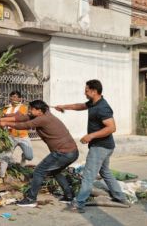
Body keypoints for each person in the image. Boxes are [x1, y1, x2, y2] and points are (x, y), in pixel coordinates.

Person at [54, 79, 129, 213]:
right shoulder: (94, 103)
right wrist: (63, 106)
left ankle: (79, 204)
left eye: (86, 90)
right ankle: (120, 197)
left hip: (101, 146)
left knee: (88, 175)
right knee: (105, 172)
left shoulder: (103, 107)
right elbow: (80, 106)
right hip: (105, 146)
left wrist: (91, 136)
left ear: (94, 91)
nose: (85, 92)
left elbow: (112, 127)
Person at [0, 100, 79, 207]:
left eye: (31, 109)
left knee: (39, 171)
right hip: (71, 152)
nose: (29, 111)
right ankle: (69, 196)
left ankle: (31, 199)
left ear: (39, 111)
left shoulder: (43, 119)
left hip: (63, 153)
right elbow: (23, 117)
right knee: (56, 171)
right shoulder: (43, 114)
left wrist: (6, 123)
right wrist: (3, 118)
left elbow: (26, 125)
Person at [0, 91, 34, 184]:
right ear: (10, 98)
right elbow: (2, 121)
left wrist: (5, 116)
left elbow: (18, 116)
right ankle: (1, 176)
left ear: (20, 99)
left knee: (29, 156)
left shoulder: (23, 107)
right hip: (10, 136)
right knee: (6, 156)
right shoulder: (6, 109)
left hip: (23, 136)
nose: (14, 98)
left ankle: (23, 157)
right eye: (12, 97)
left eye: (16, 97)